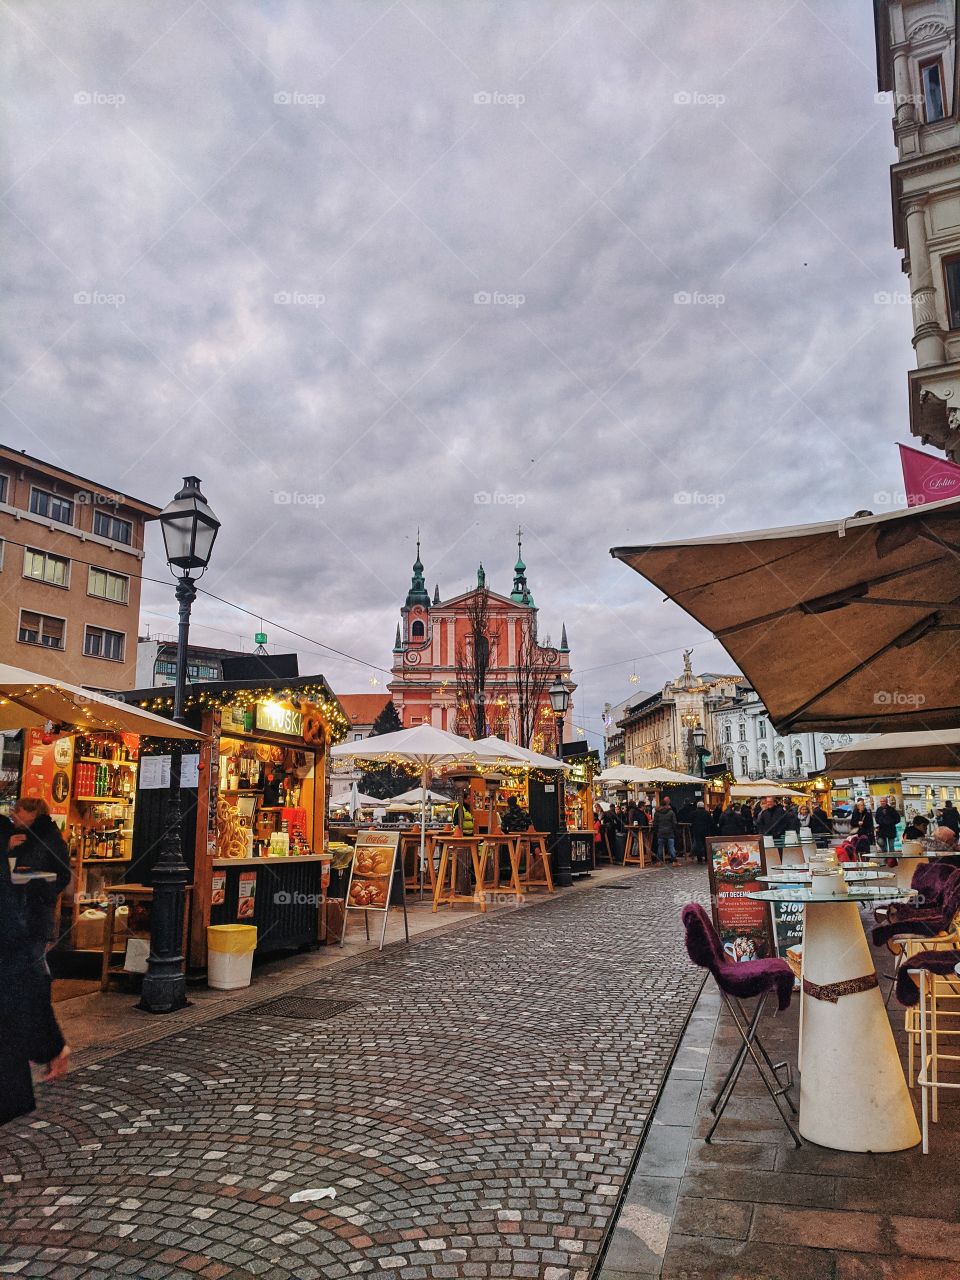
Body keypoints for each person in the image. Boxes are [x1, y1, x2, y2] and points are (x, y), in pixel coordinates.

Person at [0, 798, 72, 1125]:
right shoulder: (16, 838)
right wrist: (50, 1044)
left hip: (32, 917)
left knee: (33, 964)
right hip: (21, 923)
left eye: (20, 811)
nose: (15, 816)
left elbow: (60, 874)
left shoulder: (44, 838)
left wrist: (40, 889)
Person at [650, 794, 679, 865]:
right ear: (666, 804)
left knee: (660, 847)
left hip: (660, 832)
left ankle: (659, 861)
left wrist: (656, 831)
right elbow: (674, 823)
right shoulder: (671, 812)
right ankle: (674, 861)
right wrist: (674, 830)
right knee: (671, 847)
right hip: (670, 832)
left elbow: (655, 823)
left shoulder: (657, 813)